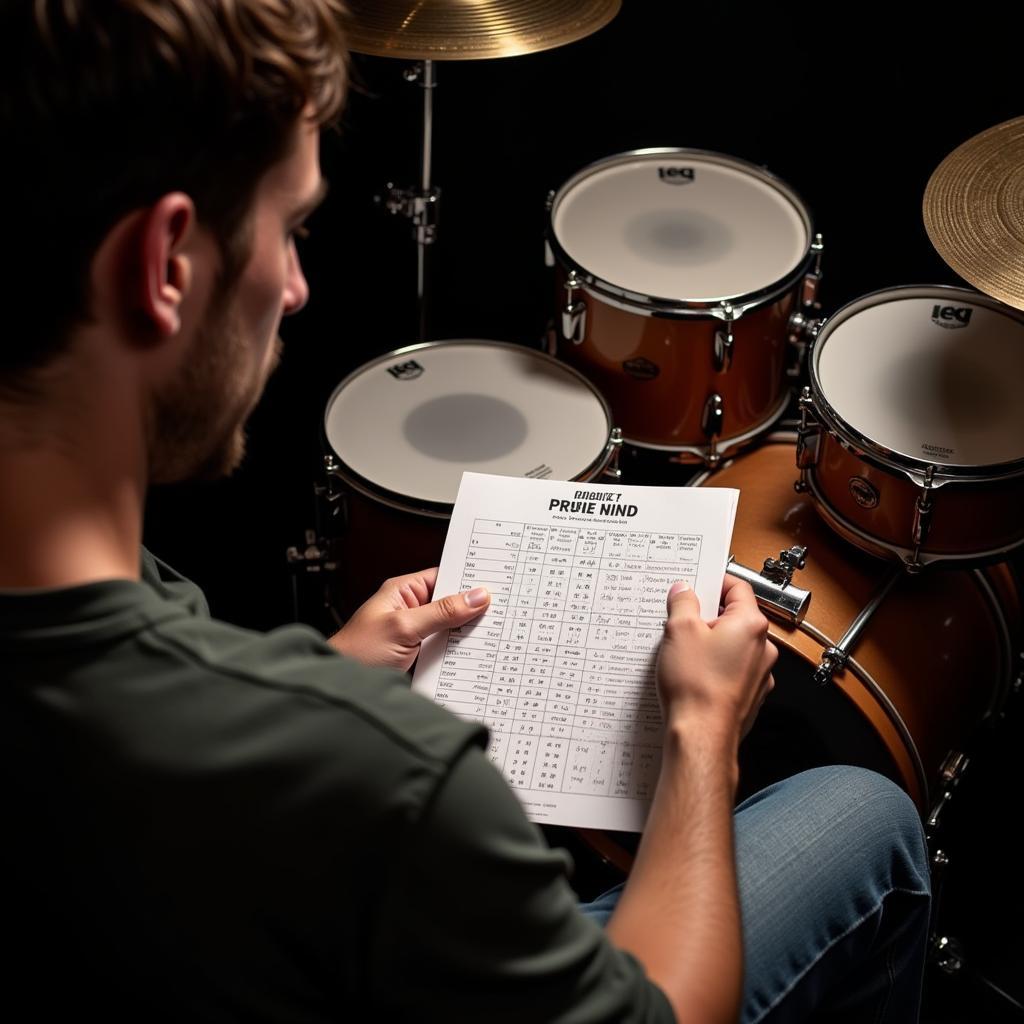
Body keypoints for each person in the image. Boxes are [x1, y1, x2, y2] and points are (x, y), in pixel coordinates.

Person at [0, 2, 931, 1021]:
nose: (299, 287)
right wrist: (701, 738)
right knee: (868, 817)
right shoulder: (392, 778)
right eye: (289, 228)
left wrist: (326, 677)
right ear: (165, 265)